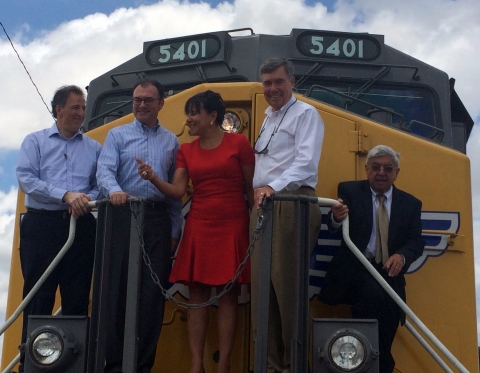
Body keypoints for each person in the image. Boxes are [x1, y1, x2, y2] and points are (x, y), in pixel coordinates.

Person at [137, 90, 254, 373]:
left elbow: (251, 189)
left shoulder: (239, 144)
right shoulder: (186, 150)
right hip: (199, 224)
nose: (188, 120)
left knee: (228, 294)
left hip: (233, 223)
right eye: (188, 113)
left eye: (194, 113)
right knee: (197, 293)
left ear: (213, 116)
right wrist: (153, 178)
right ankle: (195, 364)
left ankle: (224, 364)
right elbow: (177, 191)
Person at [96, 79, 183, 373]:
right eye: (136, 100)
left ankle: (143, 366)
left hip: (157, 221)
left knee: (151, 298)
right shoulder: (116, 135)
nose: (141, 105)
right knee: (115, 293)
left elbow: (173, 192)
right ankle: (115, 365)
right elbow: (105, 171)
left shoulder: (172, 141)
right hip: (121, 217)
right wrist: (115, 191)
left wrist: (174, 232)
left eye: (148, 100)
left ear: (161, 103)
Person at [16, 85, 101, 372]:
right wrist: (66, 195)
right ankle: (31, 364)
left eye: (83, 107)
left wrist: (83, 199)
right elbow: (27, 179)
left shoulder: (94, 148)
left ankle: (73, 366)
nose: (80, 113)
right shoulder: (35, 142)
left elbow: (99, 183)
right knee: (38, 297)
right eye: (75, 107)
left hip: (81, 226)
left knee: (77, 299)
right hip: (42, 227)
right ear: (58, 110)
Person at [319, 145, 425, 373]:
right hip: (355, 271)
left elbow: (416, 242)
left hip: (390, 274)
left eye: (388, 168)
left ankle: (376, 362)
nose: (381, 173)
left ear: (397, 172)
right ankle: (381, 364)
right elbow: (333, 224)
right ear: (366, 169)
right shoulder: (349, 191)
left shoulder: (411, 204)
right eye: (375, 167)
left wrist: (402, 256)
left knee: (387, 307)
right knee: (373, 296)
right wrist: (336, 218)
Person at [250, 57, 324, 373]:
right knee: (262, 289)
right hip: (265, 206)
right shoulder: (268, 118)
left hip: (290, 203)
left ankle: (293, 365)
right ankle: (268, 365)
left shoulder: (306, 114)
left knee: (287, 288)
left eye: (278, 81)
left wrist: (271, 188)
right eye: (267, 83)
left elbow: (305, 164)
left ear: (292, 82)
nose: (272, 88)